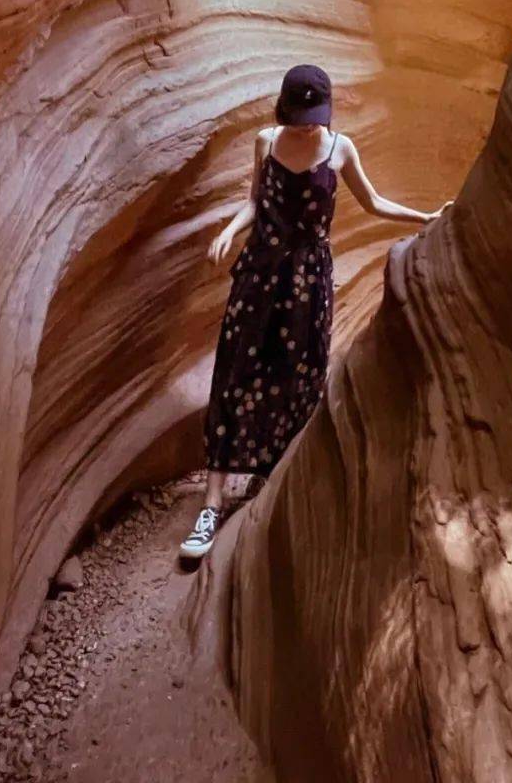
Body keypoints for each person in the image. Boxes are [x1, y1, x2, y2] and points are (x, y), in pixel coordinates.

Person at [179, 64, 449, 559]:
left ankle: (274, 481)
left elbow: (372, 202)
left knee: (299, 376)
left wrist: (423, 216)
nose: (308, 126)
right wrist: (228, 230)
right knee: (236, 371)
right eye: (300, 117)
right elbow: (257, 203)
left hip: (308, 283)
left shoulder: (339, 148)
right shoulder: (266, 140)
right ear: (284, 109)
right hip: (260, 273)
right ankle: (212, 505)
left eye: (314, 117)